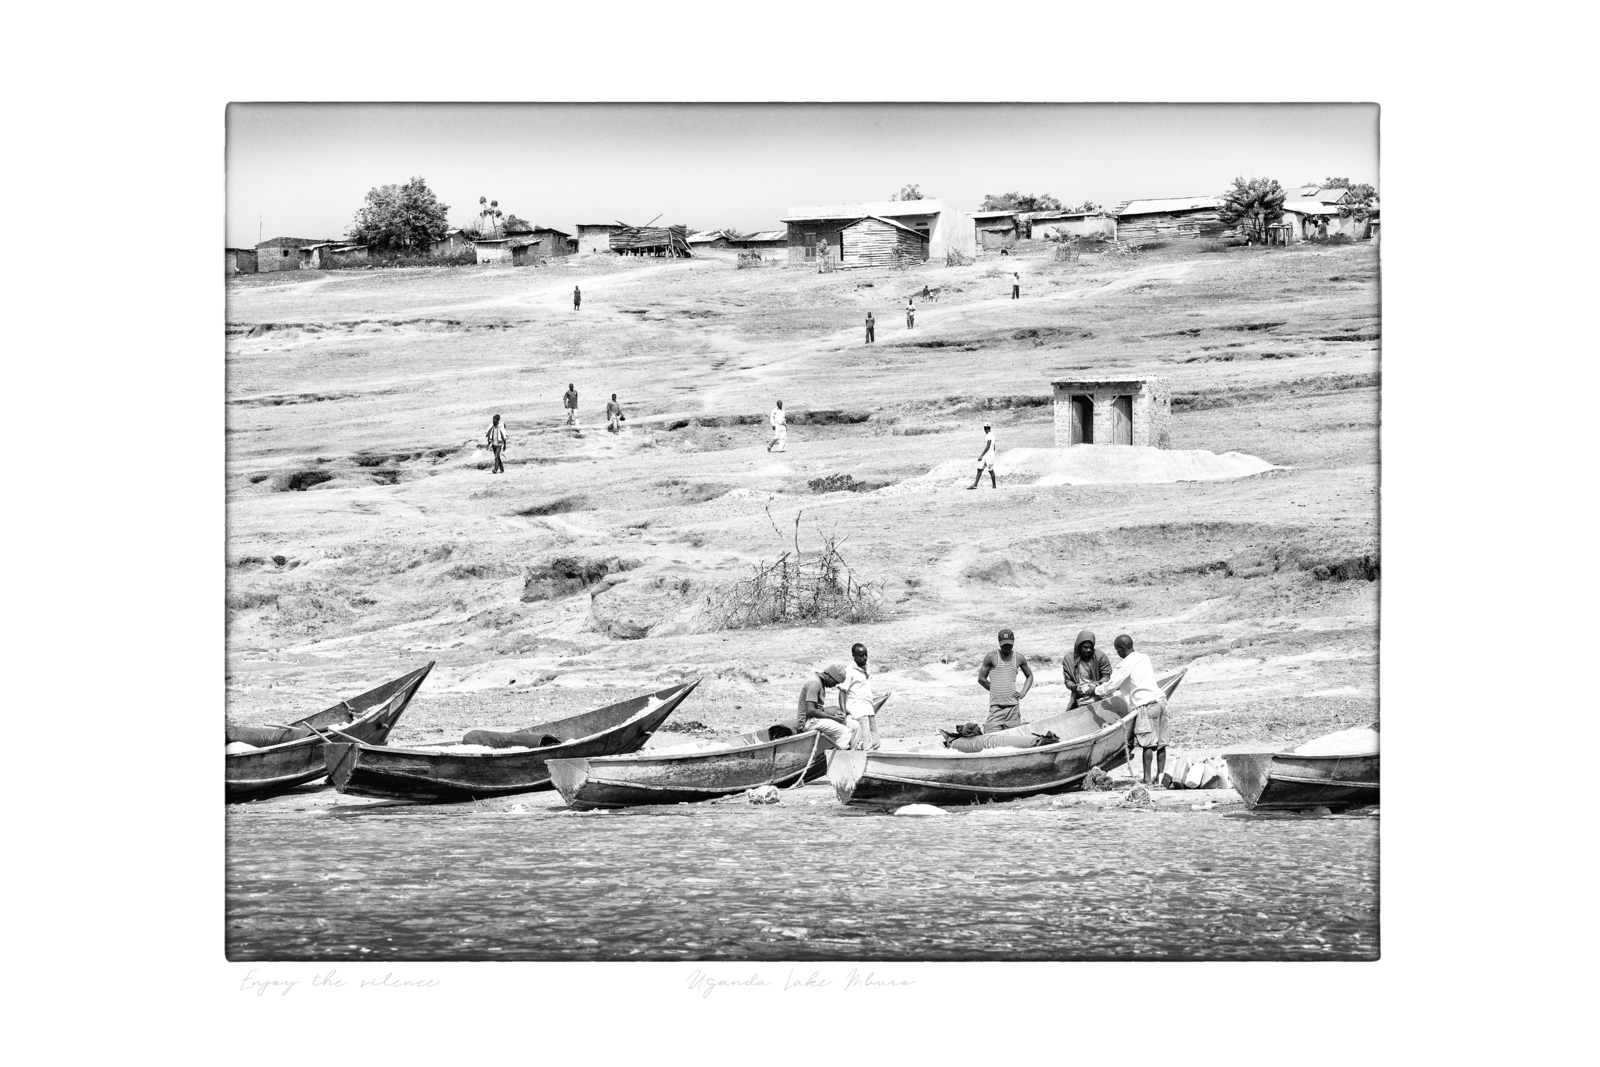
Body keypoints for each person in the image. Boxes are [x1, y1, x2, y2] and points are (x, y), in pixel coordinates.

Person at [1094, 634, 1169, 785]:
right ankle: (1160, 777)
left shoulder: (1124, 664)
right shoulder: (1143, 657)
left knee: (1147, 743)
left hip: (1146, 705)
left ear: (1122, 648)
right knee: (1161, 743)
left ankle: (1147, 779)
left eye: (1117, 650)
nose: (1117, 654)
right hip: (1161, 700)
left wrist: (1094, 691)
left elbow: (1111, 686)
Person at [977, 628, 1034, 730]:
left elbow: (1029, 676)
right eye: (1004, 644)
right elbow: (981, 679)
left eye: (1009, 644)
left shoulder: (1019, 657)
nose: (1007, 647)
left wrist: (1023, 692)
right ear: (999, 643)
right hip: (996, 707)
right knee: (990, 735)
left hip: (1013, 708)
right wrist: (996, 689)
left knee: (1013, 736)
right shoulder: (991, 656)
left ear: (1013, 642)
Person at [794, 665, 851, 748]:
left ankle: (853, 751)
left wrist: (835, 713)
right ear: (829, 677)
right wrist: (833, 718)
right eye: (835, 683)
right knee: (845, 732)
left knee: (853, 725)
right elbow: (810, 710)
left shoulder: (820, 683)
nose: (834, 686)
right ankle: (836, 758)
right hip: (808, 722)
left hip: (815, 719)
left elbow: (818, 709)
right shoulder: (815, 684)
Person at [838, 642, 880, 750]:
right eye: (861, 656)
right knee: (866, 744)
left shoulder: (866, 668)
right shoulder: (850, 671)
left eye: (866, 654)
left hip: (868, 709)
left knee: (876, 741)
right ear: (854, 656)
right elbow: (842, 692)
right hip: (858, 711)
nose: (864, 658)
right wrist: (844, 713)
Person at [1062, 629, 1112, 709]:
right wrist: (1075, 687)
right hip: (1080, 697)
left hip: (1099, 694)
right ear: (1079, 647)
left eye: (1090, 647)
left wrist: (1096, 685)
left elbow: (1106, 676)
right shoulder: (1069, 659)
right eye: (1085, 647)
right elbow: (1068, 681)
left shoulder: (1100, 657)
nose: (1088, 650)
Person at [968, 422, 996, 489]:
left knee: (990, 470)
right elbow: (994, 447)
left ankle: (994, 485)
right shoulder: (990, 435)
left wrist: (981, 455)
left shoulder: (989, 435)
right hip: (988, 454)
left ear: (984, 429)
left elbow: (988, 446)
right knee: (979, 468)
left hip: (989, 455)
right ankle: (975, 485)